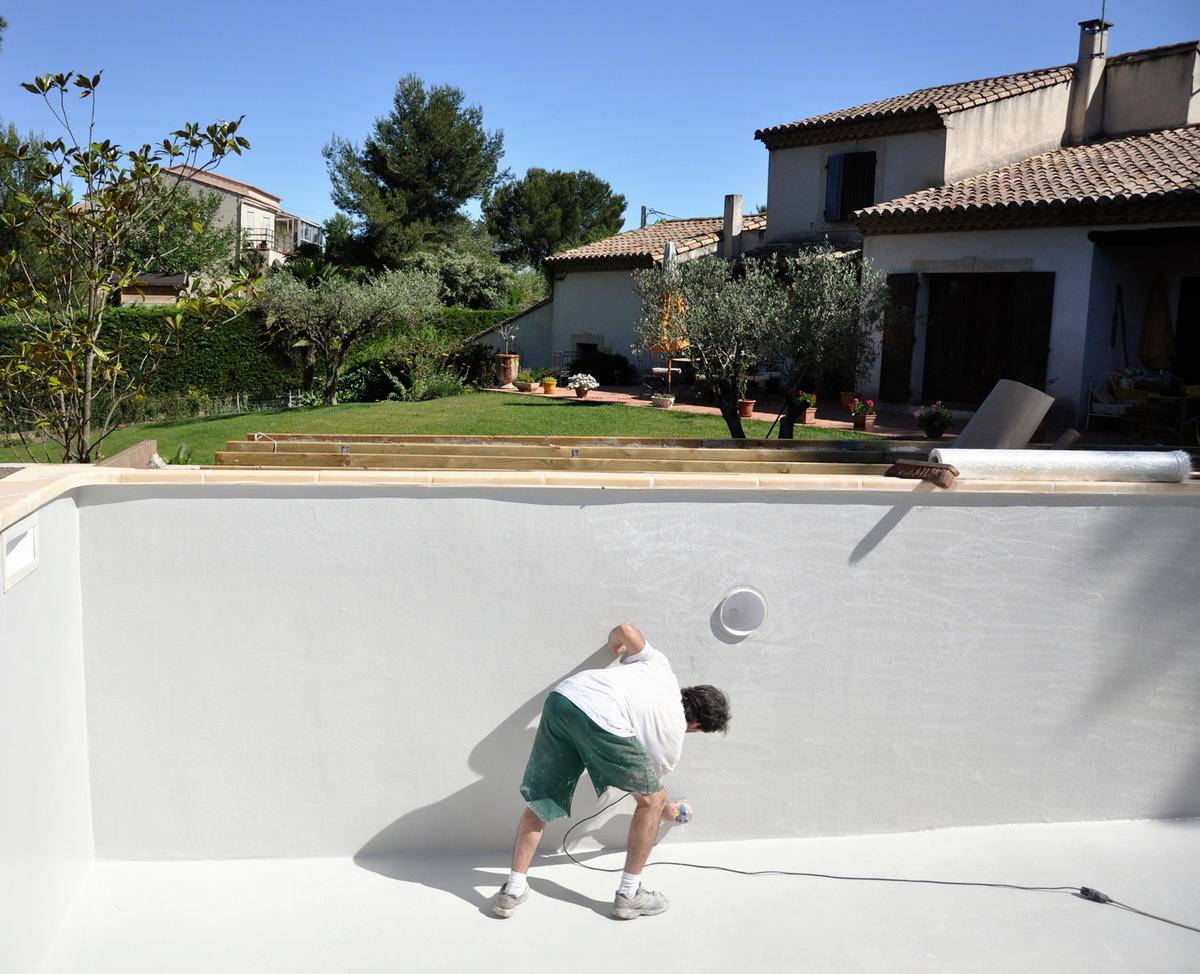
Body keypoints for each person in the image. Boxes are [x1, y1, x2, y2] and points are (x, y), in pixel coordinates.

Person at [491, 623, 730, 920]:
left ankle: (512, 891)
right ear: (697, 727)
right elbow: (648, 797)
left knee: (542, 801)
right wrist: (673, 812)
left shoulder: (660, 666)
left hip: (564, 699)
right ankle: (630, 895)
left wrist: (613, 648)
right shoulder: (672, 741)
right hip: (603, 717)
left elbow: (626, 630)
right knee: (654, 800)